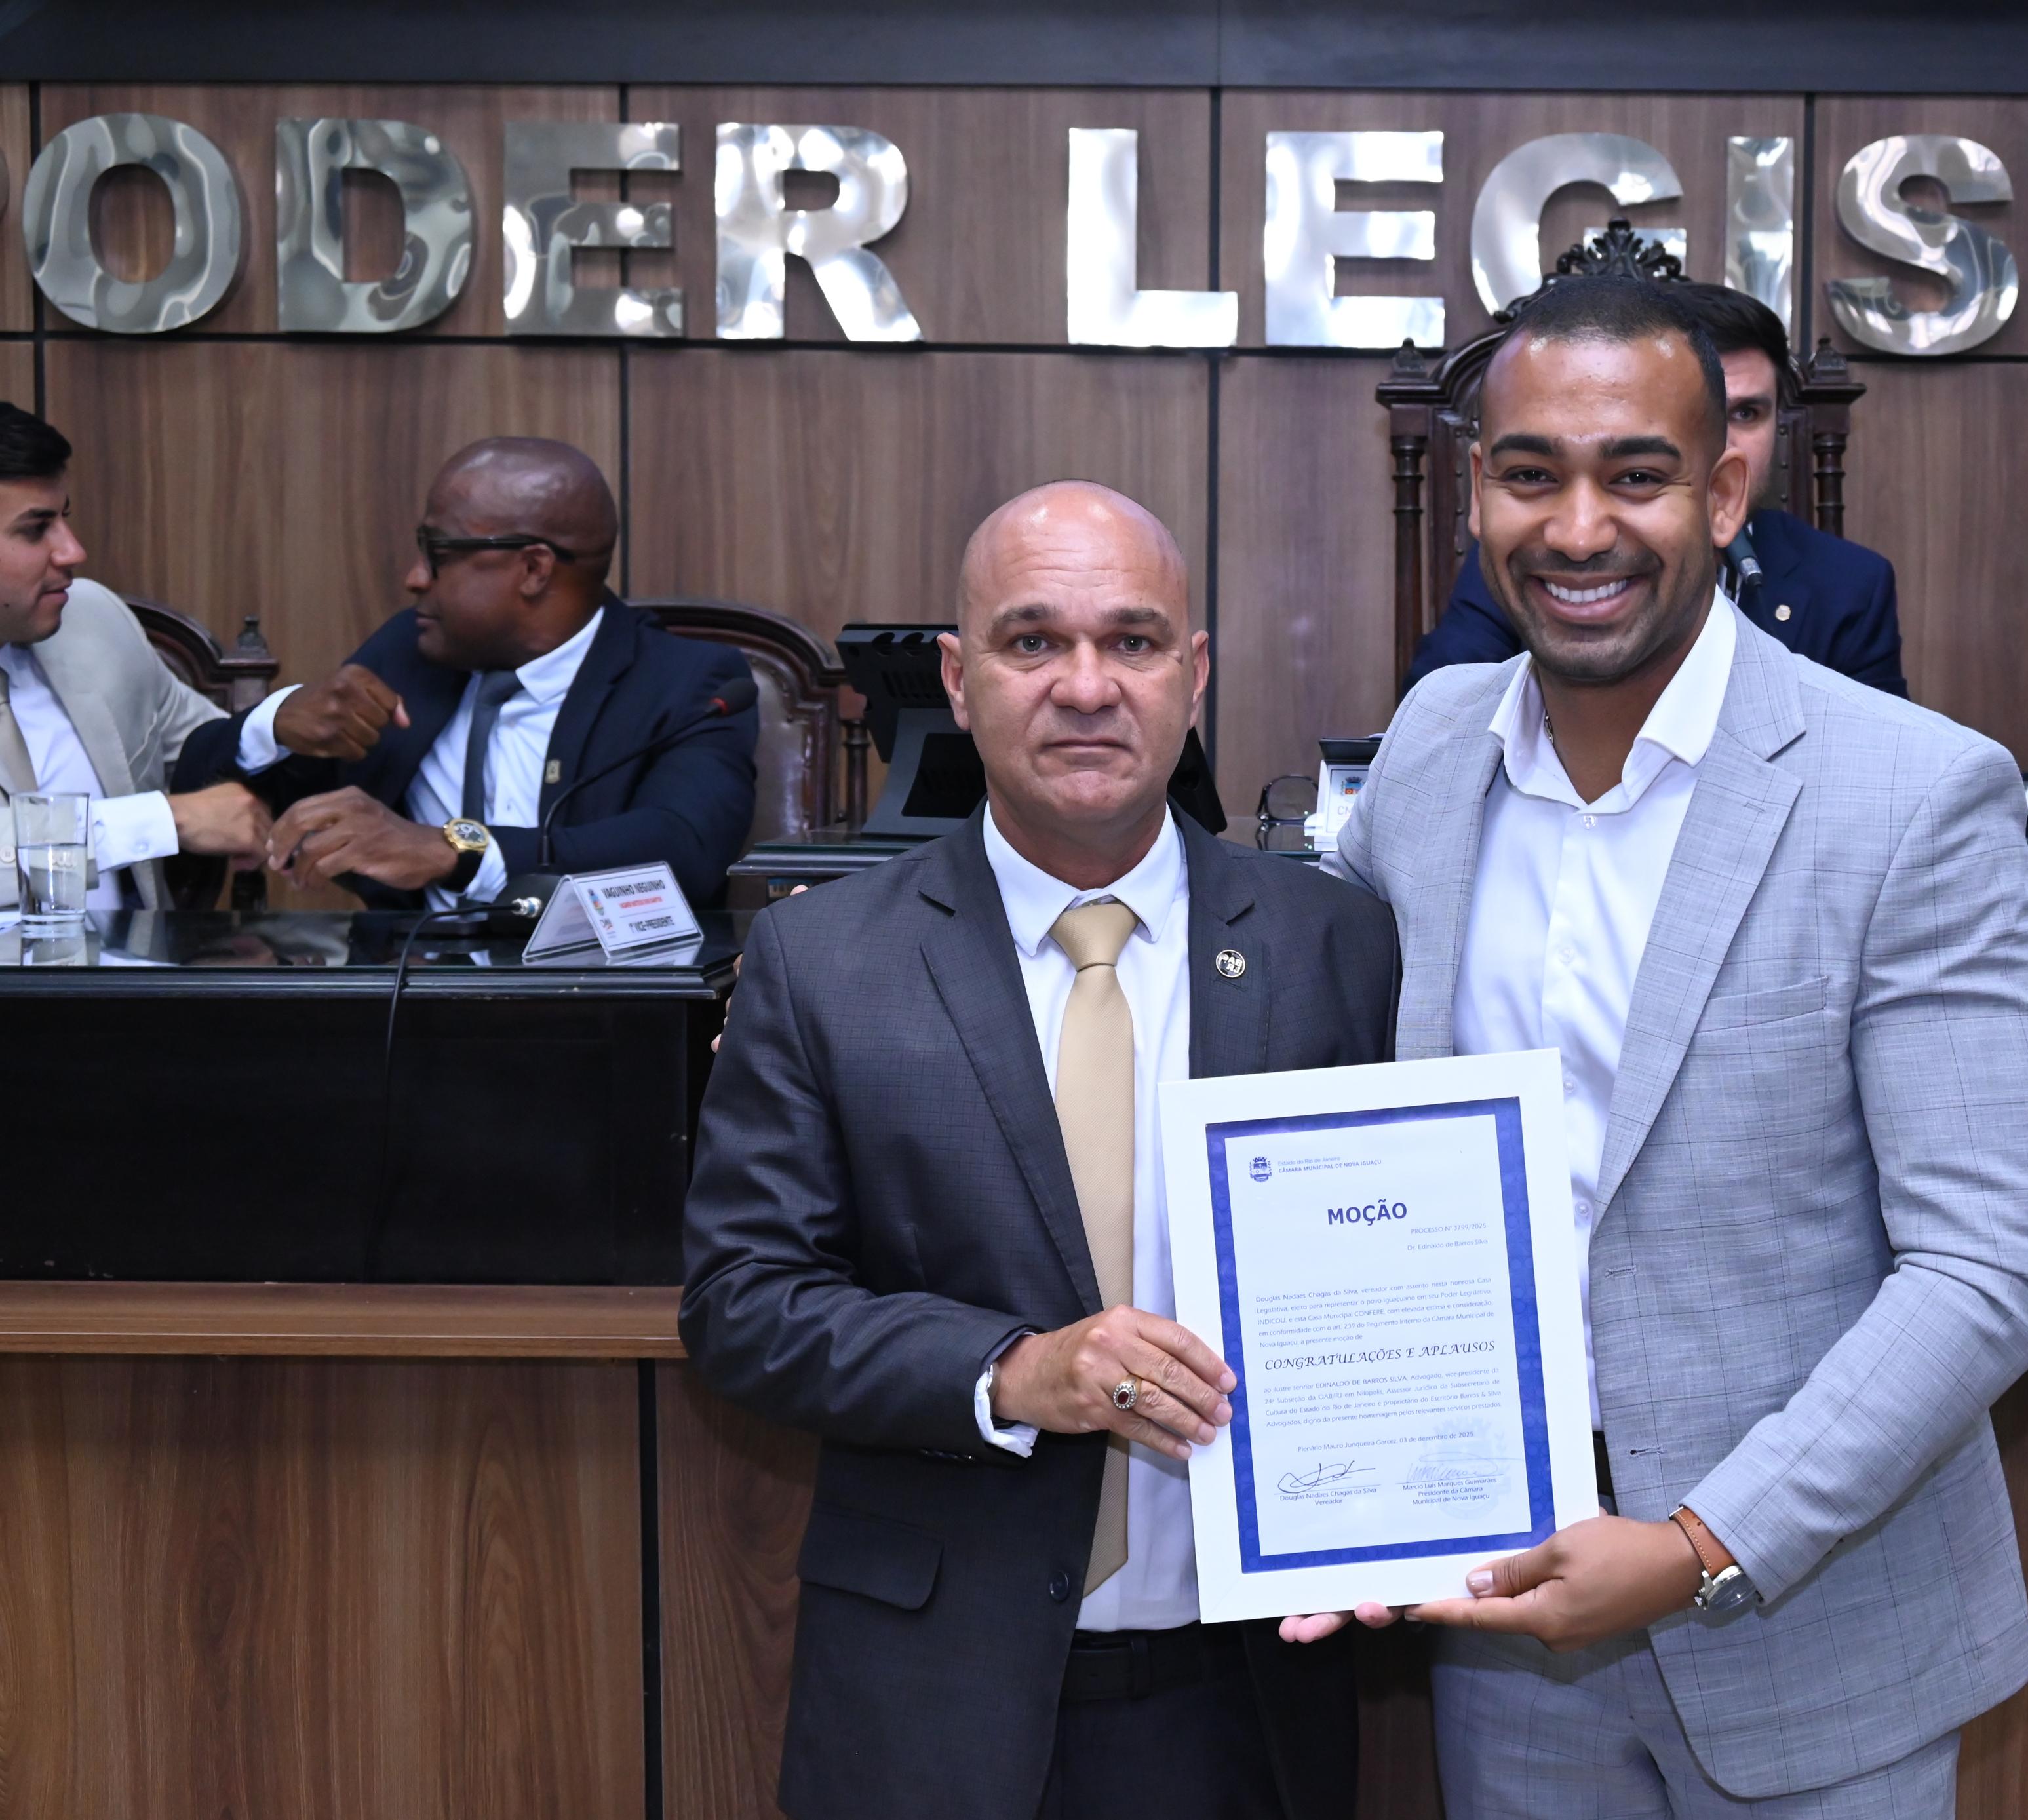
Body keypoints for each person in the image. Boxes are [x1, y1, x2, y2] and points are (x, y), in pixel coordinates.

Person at [1308, 275, 2028, 1819]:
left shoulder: (1911, 795)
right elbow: (1341, 1148)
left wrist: (1699, 1541)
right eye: (1531, 472)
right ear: (1478, 490)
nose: (1576, 527)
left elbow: (1987, 1267)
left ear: (1726, 489)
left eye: (1635, 474)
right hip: (1509, 1629)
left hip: (1816, 1635)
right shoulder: (1428, 753)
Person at [680, 482, 1399, 1820]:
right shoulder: (823, 959)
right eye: (1032, 641)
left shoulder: (1334, 942)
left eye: (1132, 642)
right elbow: (742, 1308)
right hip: (931, 1695)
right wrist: (1012, 1370)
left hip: (1245, 1691)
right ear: (957, 678)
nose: (1085, 686)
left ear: (1194, 677)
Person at [170, 438, 755, 908]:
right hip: (397, 1003)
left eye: (439, 552)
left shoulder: (688, 684)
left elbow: (684, 850)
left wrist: (455, 851)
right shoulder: (412, 651)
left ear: (533, 569)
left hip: (594, 1010)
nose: (415, 577)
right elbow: (198, 788)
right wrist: (271, 726)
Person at [1401, 282, 1906, 699]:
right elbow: (1440, 712)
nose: (1581, 538)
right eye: (1533, 475)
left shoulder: (1850, 583)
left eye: (1746, 414)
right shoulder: (1532, 553)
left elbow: (1879, 774)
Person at [0, 402, 268, 908]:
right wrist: (161, 821)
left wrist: (284, 729)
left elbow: (206, 753)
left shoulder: (91, 618)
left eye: (65, 519)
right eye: (37, 529)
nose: (72, 551)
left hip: (133, 979)